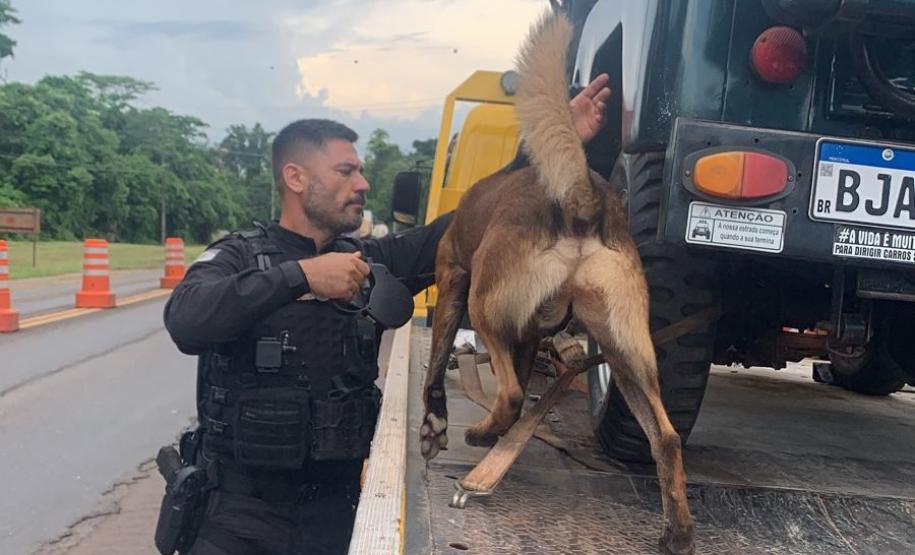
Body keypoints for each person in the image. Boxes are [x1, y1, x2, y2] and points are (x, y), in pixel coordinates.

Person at [160, 75, 610, 555]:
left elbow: (464, 226)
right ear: (296, 178)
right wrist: (302, 277)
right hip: (237, 520)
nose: (363, 183)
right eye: (346, 171)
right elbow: (185, 319)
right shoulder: (240, 257)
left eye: (361, 171)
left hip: (337, 516)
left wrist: (540, 152)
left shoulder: (374, 262)